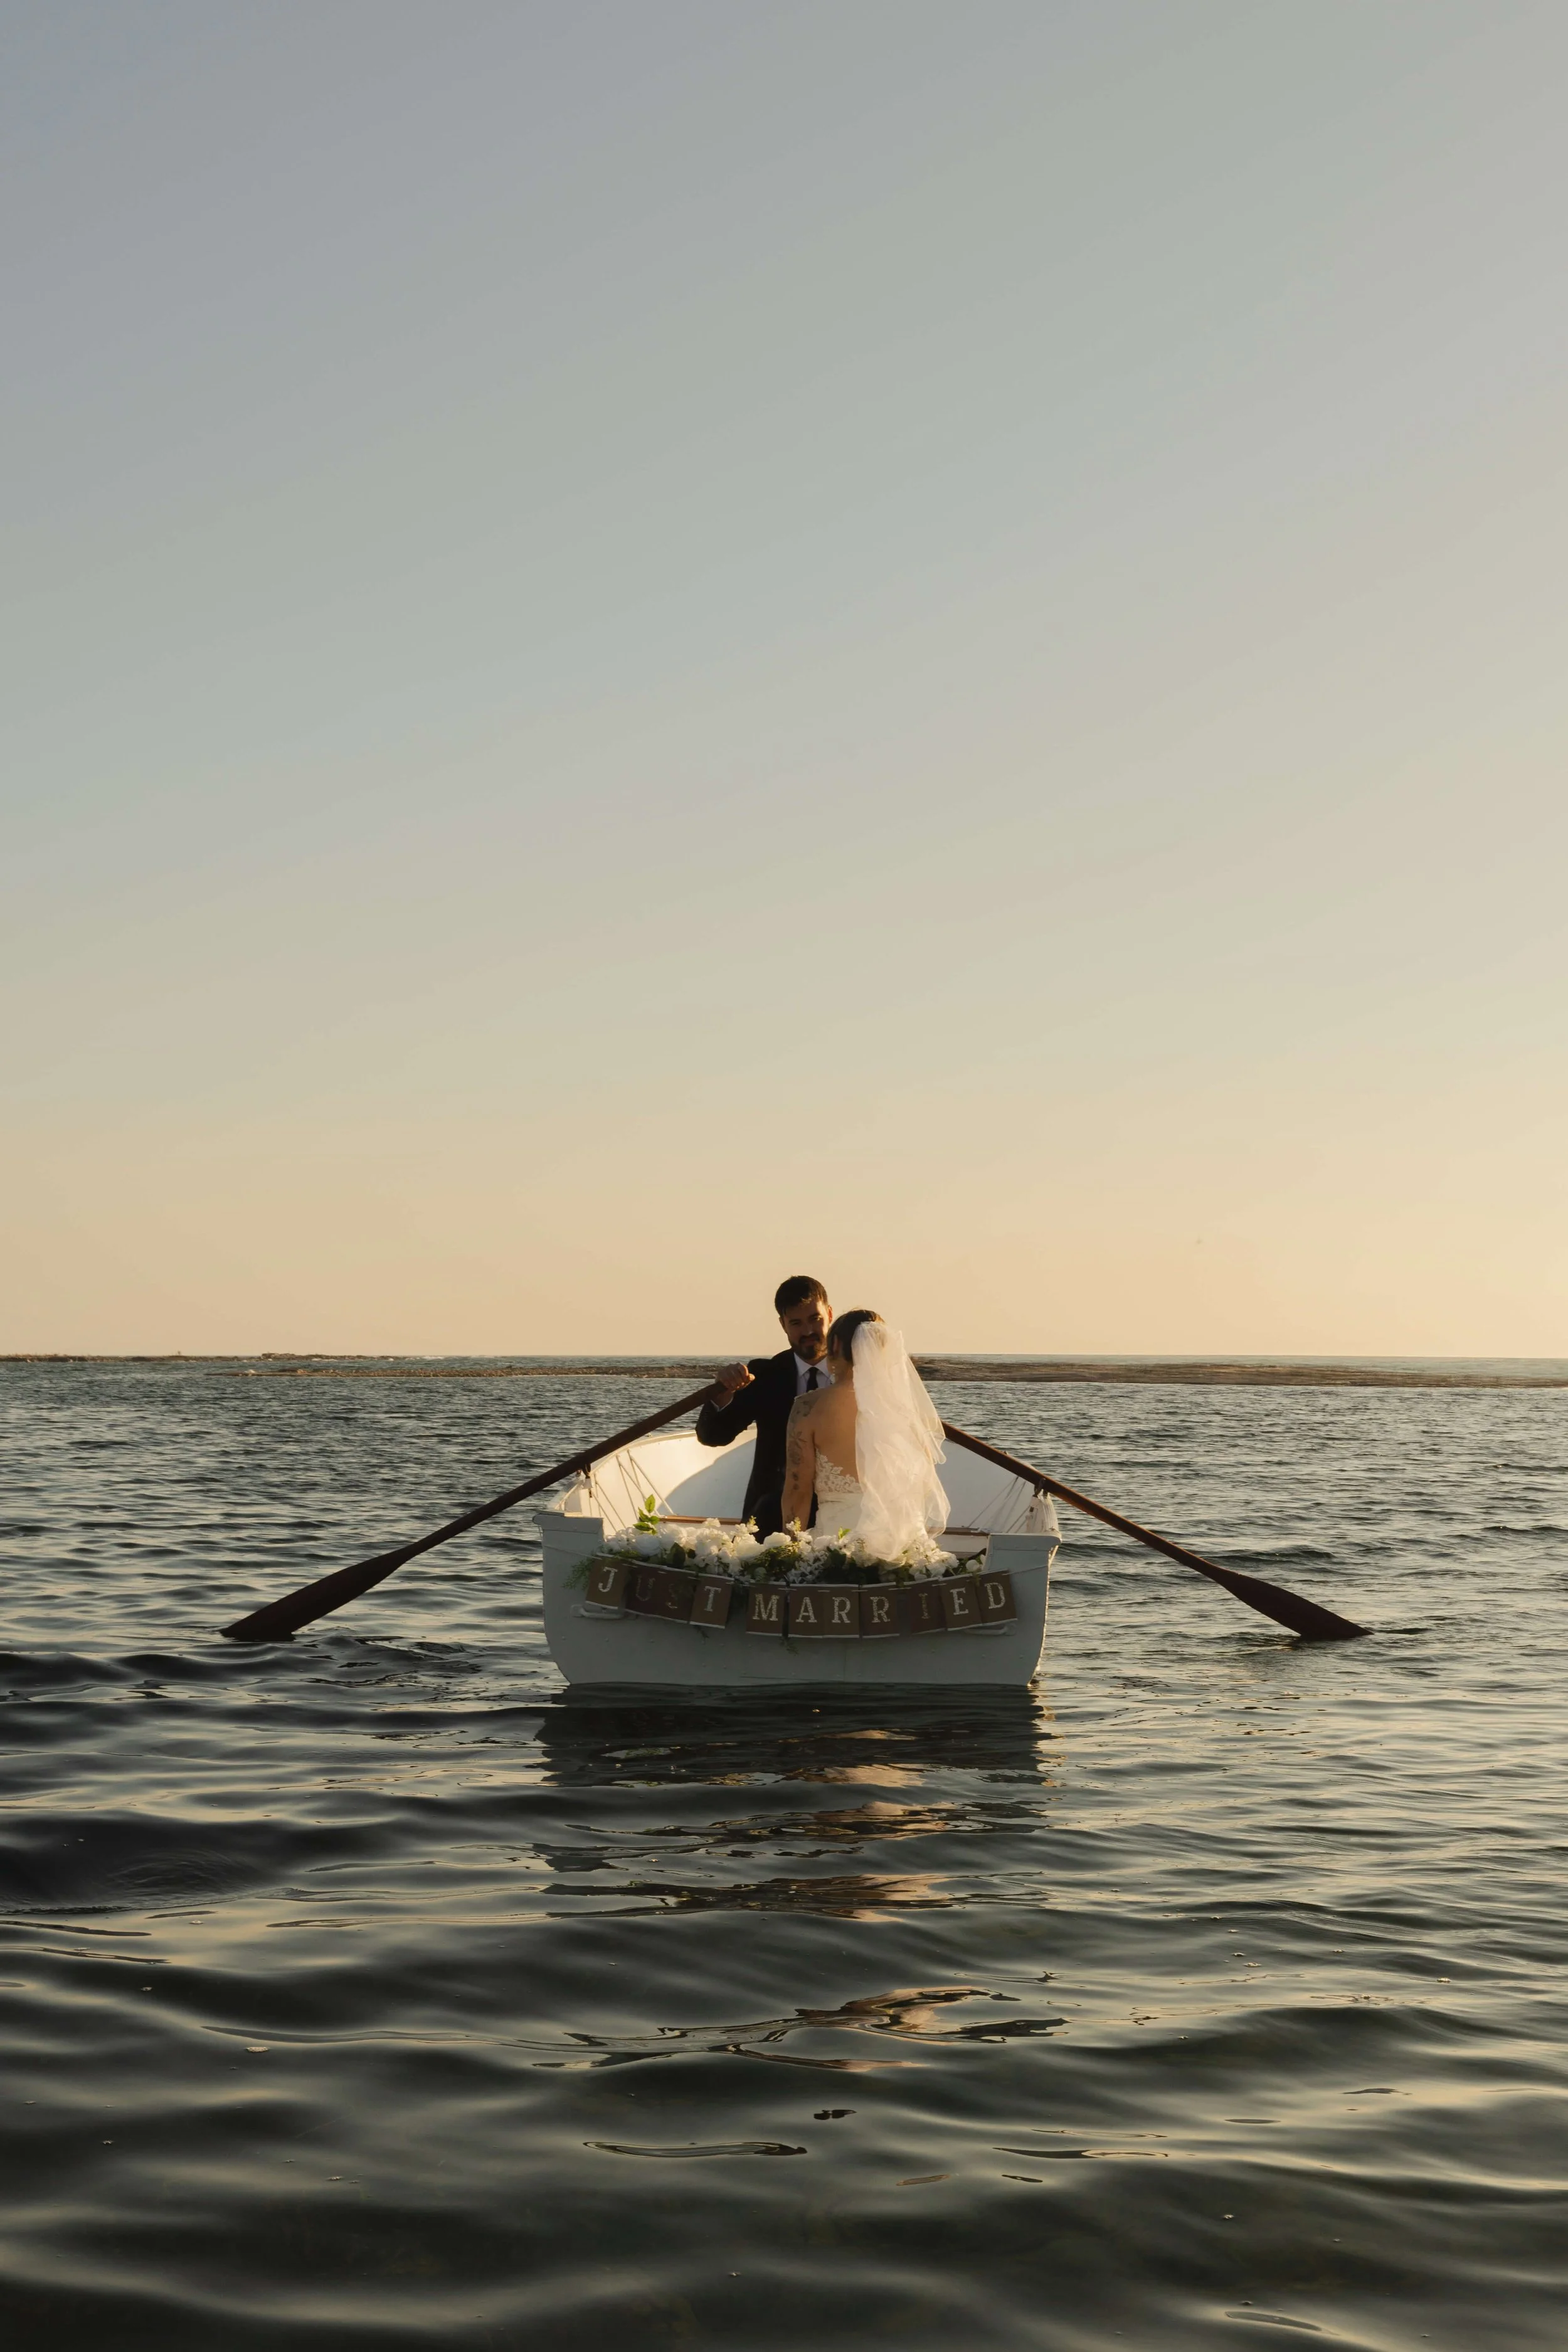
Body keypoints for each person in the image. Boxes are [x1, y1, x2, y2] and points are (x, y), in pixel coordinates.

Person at [779, 1308, 950, 1560]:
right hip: (901, 1544)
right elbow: (920, 1484)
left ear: (835, 1344)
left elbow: (798, 1489)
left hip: (836, 1544)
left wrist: (790, 1554)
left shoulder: (808, 1408)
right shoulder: (905, 1410)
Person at [694, 1275, 835, 1537]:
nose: (807, 1332)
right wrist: (721, 1395)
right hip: (770, 1520)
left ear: (829, 1314)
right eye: (796, 1323)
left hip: (841, 1518)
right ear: (783, 1325)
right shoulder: (765, 1374)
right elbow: (713, 1436)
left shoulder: (858, 1373)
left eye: (815, 1319)